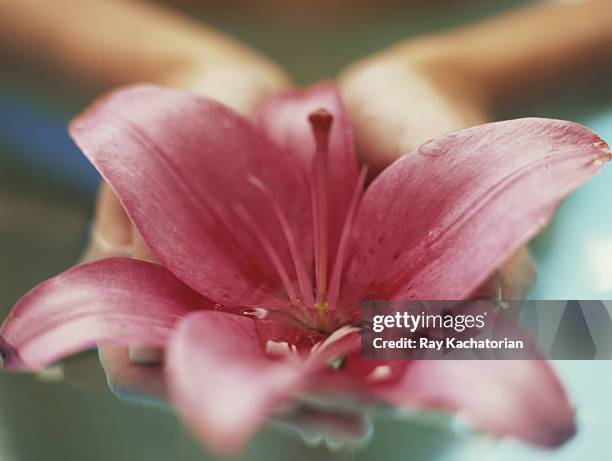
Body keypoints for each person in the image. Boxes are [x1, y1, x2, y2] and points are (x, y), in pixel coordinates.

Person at [0, 0, 611, 375]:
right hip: (73, 76)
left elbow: (581, 334)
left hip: (484, 73)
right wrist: (165, 75)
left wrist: (468, 76)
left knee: (398, 450)